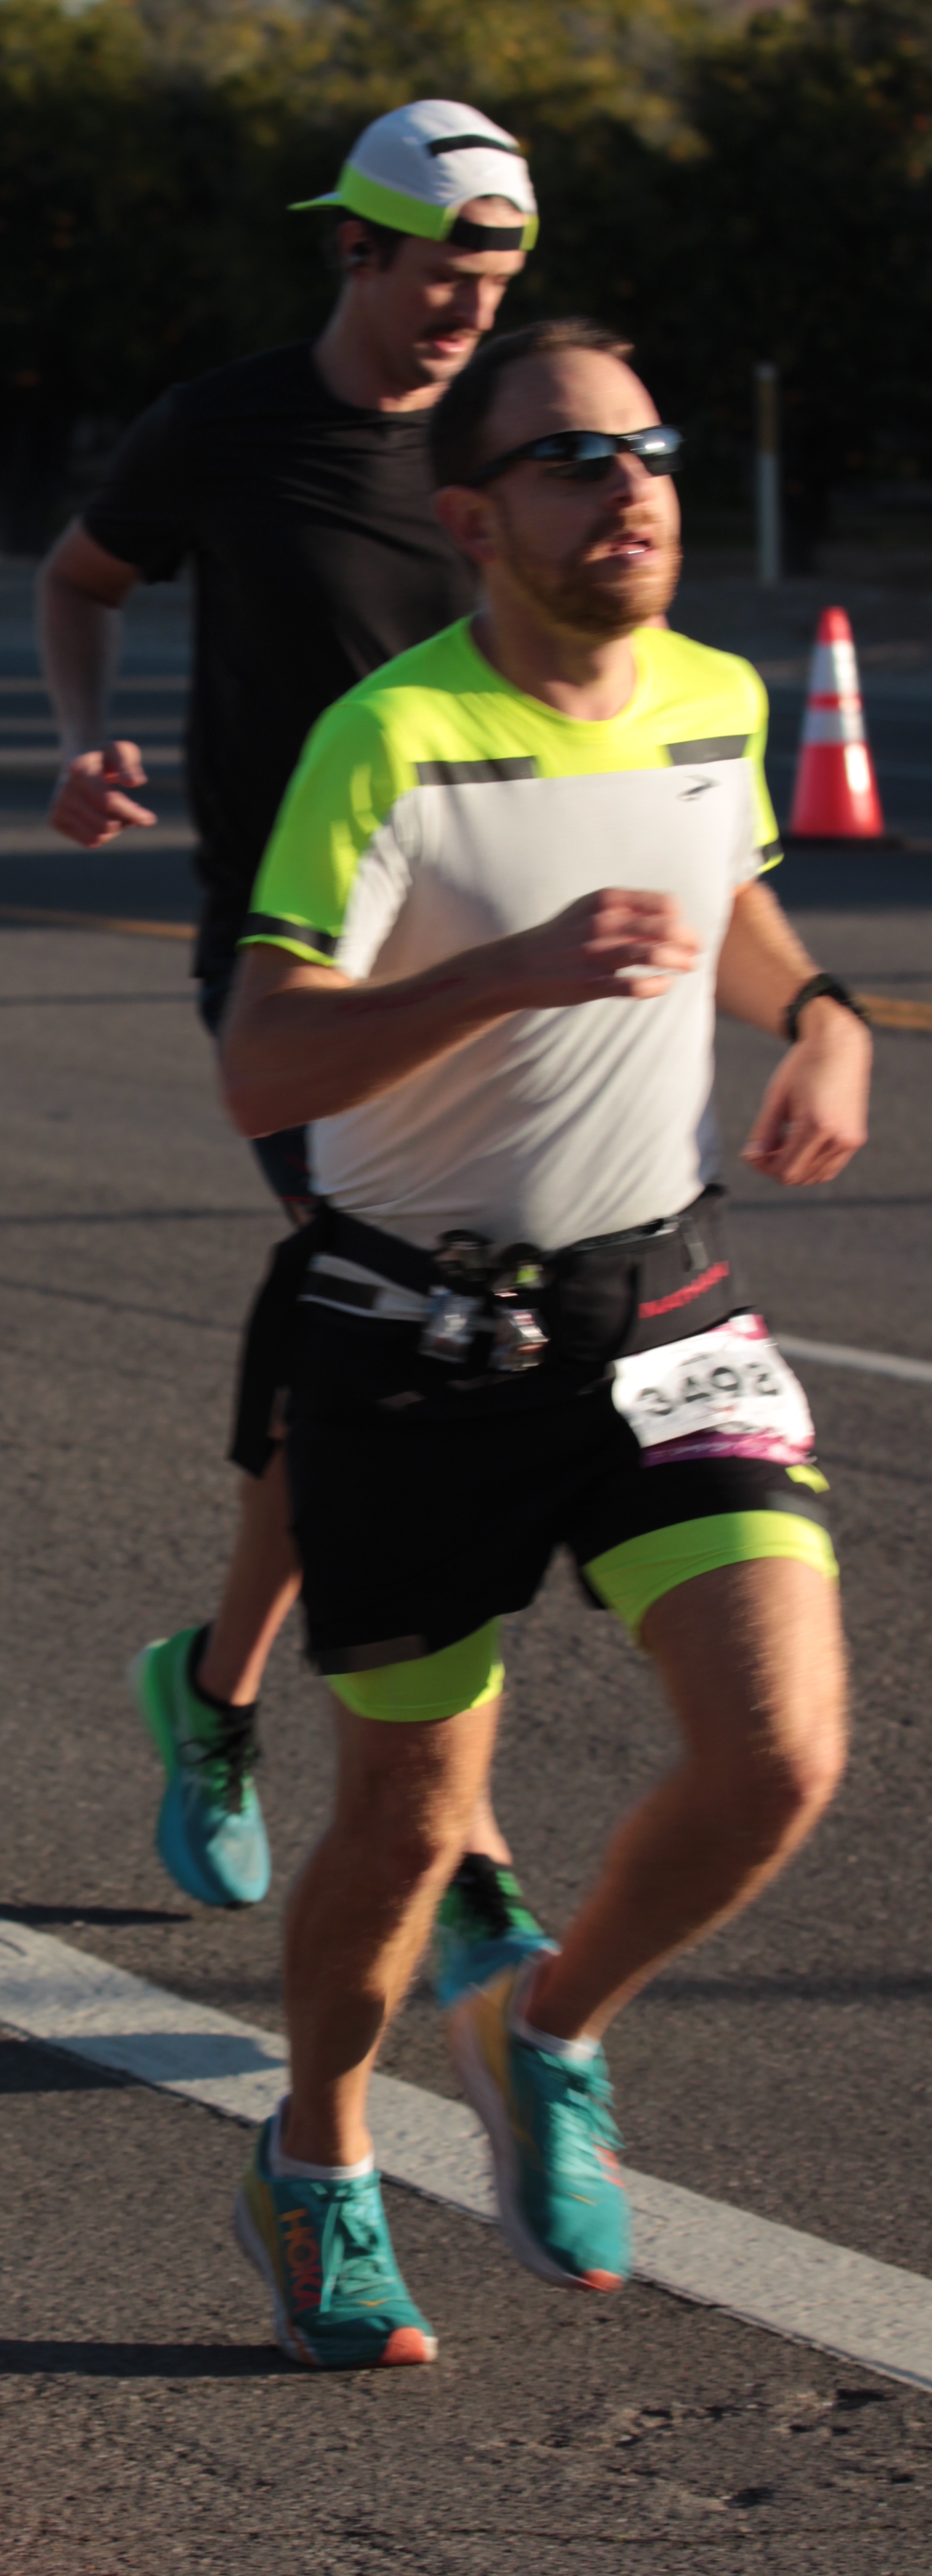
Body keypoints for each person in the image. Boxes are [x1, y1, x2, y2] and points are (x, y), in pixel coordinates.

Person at [218, 315, 870, 2368]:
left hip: (657, 1297)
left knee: (781, 1752)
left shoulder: (713, 696)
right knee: (409, 1825)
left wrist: (821, 1010)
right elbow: (262, 1063)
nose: (632, 489)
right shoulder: (389, 740)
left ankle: (546, 2025)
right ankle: (316, 2157)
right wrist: (500, 971)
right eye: (578, 462)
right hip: (410, 1332)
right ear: (473, 517)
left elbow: (724, 892)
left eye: (649, 452)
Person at [38, 99, 544, 1958]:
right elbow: (79, 577)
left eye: (493, 285)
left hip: (489, 956)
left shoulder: (509, 443)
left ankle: (215, 1689)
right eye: (438, 279)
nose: (464, 316)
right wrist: (78, 740)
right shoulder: (226, 426)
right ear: (352, 250)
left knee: (395, 1345)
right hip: (290, 962)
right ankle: (461, 1850)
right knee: (411, 1327)